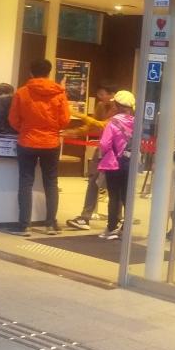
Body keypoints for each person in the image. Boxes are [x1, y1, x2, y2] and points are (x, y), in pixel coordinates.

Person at [8, 59, 70, 236]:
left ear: (31, 73)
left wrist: (25, 129)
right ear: (49, 73)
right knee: (51, 183)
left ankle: (24, 226)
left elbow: (13, 119)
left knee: (25, 181)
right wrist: (51, 129)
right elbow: (65, 120)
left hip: (27, 141)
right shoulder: (59, 93)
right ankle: (50, 225)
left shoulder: (22, 92)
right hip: (51, 143)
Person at [65, 85, 114, 230]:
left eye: (103, 94)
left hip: (116, 151)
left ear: (112, 94)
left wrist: (79, 115)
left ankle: (116, 221)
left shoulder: (121, 108)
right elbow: (94, 125)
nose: (101, 98)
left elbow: (103, 125)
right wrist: (77, 131)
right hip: (102, 147)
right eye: (99, 94)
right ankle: (85, 217)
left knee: (116, 185)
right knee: (93, 180)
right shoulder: (101, 106)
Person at [96, 90, 135, 240]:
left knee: (114, 196)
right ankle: (126, 227)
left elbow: (104, 144)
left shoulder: (112, 123)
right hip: (130, 163)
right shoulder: (136, 122)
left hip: (114, 163)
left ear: (117, 105)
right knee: (127, 197)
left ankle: (112, 227)